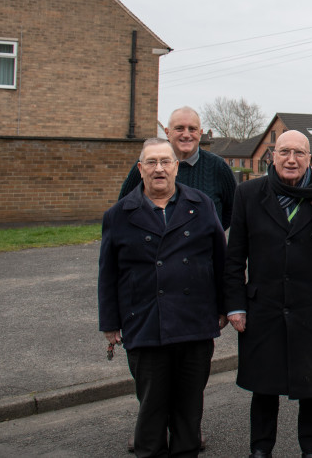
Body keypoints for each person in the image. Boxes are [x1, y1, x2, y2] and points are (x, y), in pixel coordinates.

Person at [224, 130, 312, 458]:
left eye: (299, 153)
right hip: (263, 309)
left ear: (310, 159)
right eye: (284, 151)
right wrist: (235, 306)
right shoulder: (248, 194)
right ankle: (260, 450)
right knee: (264, 386)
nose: (291, 159)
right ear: (273, 155)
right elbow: (233, 259)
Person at [99, 138, 227, 458]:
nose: (159, 169)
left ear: (176, 167)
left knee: (188, 409)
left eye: (165, 162)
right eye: (152, 163)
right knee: (152, 408)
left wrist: (226, 307)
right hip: (143, 323)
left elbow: (221, 261)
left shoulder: (201, 205)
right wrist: (110, 324)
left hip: (194, 323)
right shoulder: (118, 214)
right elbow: (108, 274)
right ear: (140, 170)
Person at [119, 107, 237, 230]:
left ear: (200, 133)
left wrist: (207, 235)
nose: (186, 135)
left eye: (192, 129)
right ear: (167, 132)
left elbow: (233, 211)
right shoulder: (147, 165)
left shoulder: (218, 167)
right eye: (179, 128)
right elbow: (123, 207)